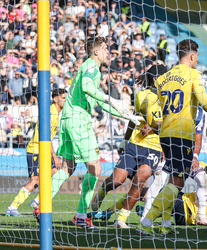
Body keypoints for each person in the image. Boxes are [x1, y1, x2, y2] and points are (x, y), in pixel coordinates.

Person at [33, 37, 141, 228]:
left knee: (67, 168)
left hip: (67, 120)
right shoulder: (91, 66)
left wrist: (126, 114)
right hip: (78, 122)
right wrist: (110, 98)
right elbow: (88, 89)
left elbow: (98, 101)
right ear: (96, 52)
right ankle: (81, 215)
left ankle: (42, 204)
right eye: (106, 49)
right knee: (95, 168)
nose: (108, 52)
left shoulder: (88, 68)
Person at [139, 39, 207, 236]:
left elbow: (159, 108)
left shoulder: (163, 78)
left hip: (165, 135)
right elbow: (203, 100)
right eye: (197, 57)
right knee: (177, 184)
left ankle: (161, 222)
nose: (197, 61)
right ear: (193, 56)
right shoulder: (194, 74)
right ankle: (145, 222)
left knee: (171, 181)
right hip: (182, 135)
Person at [89, 64, 168, 228]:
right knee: (117, 181)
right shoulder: (142, 95)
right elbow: (135, 119)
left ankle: (121, 219)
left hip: (153, 148)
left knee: (140, 180)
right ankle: (102, 193)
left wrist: (154, 129)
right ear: (155, 79)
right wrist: (125, 141)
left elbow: (167, 125)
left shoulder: (168, 98)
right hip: (135, 144)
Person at [6, 89, 67, 216]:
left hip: (43, 151)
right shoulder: (51, 113)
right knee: (35, 181)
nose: (66, 100)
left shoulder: (56, 113)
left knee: (58, 173)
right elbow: (45, 137)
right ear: (56, 99)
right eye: (63, 98)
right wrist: (54, 156)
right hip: (35, 150)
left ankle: (37, 201)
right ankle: (12, 207)